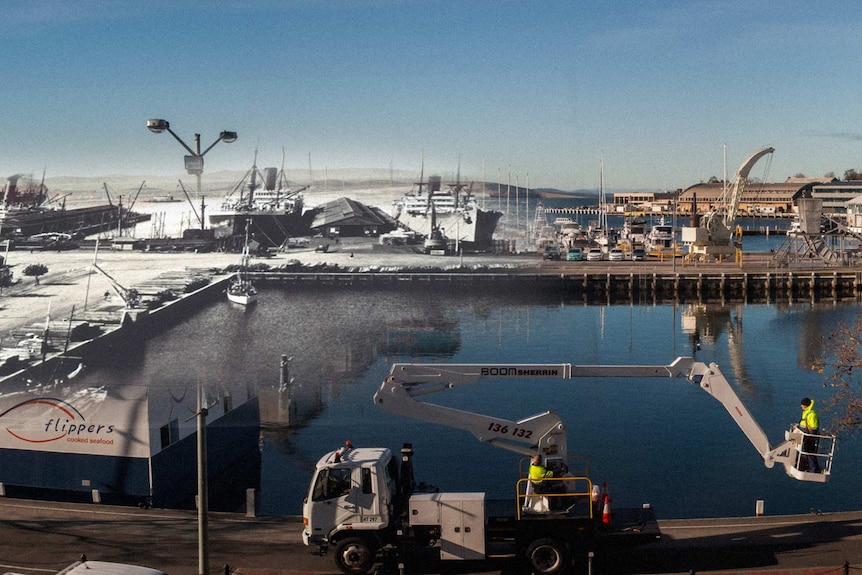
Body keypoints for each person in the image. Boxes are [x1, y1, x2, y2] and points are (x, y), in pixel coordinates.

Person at [795, 397, 821, 473]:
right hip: (806, 436)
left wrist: (811, 437)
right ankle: (812, 467)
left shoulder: (811, 414)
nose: (801, 406)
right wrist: (798, 427)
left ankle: (814, 469)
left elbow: (813, 427)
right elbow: (804, 424)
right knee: (808, 452)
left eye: (802, 404)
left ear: (805, 405)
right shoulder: (806, 413)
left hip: (809, 437)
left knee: (810, 453)